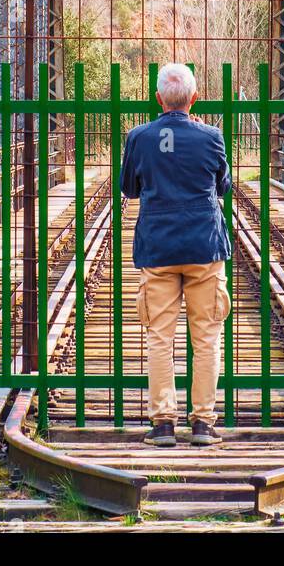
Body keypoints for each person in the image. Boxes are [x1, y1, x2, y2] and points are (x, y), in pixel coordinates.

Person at [120, 62, 232, 449]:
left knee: (159, 336)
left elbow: (129, 189)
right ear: (194, 98)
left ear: (157, 99)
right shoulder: (212, 136)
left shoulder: (139, 137)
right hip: (204, 244)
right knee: (206, 337)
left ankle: (163, 423)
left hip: (158, 246)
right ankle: (202, 423)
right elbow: (223, 186)